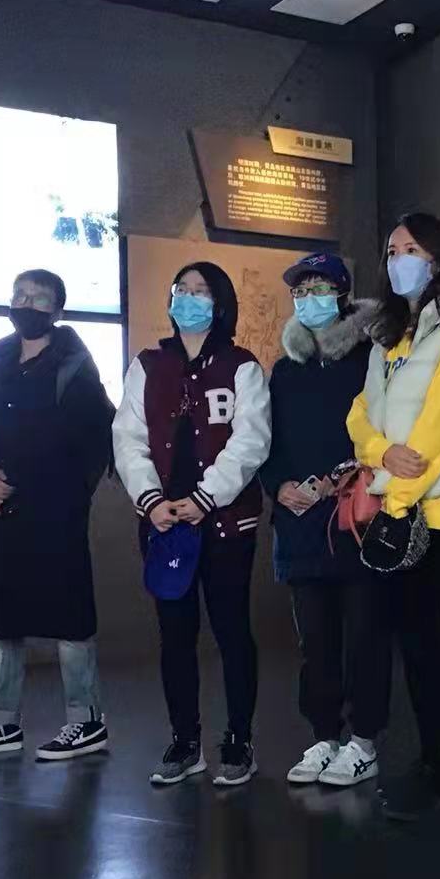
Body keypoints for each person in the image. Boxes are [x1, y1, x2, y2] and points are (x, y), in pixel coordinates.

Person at [347, 214, 440, 820]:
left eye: (410, 248)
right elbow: (360, 413)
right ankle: (411, 757)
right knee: (387, 635)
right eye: (391, 250)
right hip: (391, 501)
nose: (399, 259)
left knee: (425, 639)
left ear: (438, 256)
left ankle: (438, 766)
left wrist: (396, 495)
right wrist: (380, 454)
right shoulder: (389, 335)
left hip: (428, 510)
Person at [114, 262, 272, 788]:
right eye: (181, 289)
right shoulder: (148, 365)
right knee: (175, 635)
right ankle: (185, 741)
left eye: (201, 291)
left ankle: (239, 740)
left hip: (225, 523)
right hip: (164, 523)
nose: (189, 297)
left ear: (220, 302)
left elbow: (251, 440)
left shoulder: (241, 366)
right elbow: (128, 438)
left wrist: (207, 497)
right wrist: (151, 499)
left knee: (231, 631)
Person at [0, 269, 116, 761]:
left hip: (55, 511)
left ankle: (86, 721)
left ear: (57, 311)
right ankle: (2, 724)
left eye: (38, 298)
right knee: (2, 617)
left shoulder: (74, 366)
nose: (26, 304)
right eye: (19, 295)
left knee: (69, 614)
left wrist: (29, 483)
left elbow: (91, 439)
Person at [259, 252, 388, 789]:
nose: (308, 299)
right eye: (300, 291)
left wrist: (342, 477)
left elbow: (383, 426)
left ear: (341, 293)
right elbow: (268, 441)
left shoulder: (370, 356)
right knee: (314, 640)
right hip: (299, 522)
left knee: (364, 635)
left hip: (355, 515)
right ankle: (323, 736)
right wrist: (279, 485)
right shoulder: (285, 370)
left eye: (318, 288)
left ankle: (364, 742)